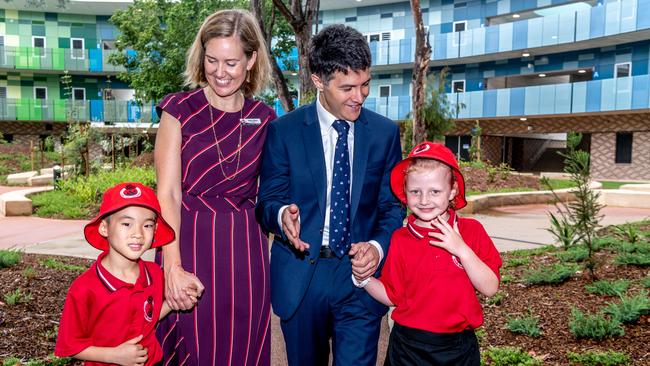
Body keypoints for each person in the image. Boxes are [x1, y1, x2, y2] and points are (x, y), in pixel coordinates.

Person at [256, 24, 405, 365]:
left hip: (360, 279)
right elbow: (267, 201)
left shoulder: (384, 134)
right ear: (318, 80)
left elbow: (392, 207)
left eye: (365, 84)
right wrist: (281, 216)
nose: (360, 96)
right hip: (301, 277)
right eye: (347, 87)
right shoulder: (284, 132)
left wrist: (378, 247)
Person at [153, 8, 275, 365]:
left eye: (232, 62)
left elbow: (271, 192)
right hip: (187, 242)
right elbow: (168, 194)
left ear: (251, 60)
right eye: (211, 60)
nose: (220, 72)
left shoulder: (264, 118)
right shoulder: (178, 110)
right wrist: (171, 267)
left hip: (245, 250)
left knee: (243, 344)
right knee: (191, 345)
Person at [361, 142, 502, 365]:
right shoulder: (400, 238)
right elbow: (392, 296)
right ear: (405, 192)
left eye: (435, 191)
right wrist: (364, 278)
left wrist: (461, 249)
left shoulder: (472, 231)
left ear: (453, 190)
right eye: (415, 191)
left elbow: (490, 287)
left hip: (458, 348)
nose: (424, 200)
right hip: (408, 347)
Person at [54, 182, 197, 365]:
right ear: (104, 228)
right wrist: (113, 356)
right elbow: (70, 346)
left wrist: (174, 301)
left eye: (147, 225)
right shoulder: (84, 288)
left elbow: (147, 317)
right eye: (127, 224)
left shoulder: (153, 273)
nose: (138, 234)